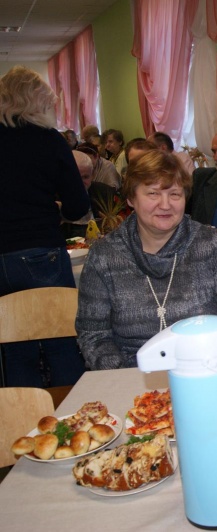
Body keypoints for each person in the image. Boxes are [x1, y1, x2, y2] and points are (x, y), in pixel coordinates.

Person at [76, 150, 217, 370]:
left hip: (203, 369)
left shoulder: (210, 245)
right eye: (153, 193)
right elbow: (94, 335)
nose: (165, 205)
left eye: (174, 194)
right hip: (131, 373)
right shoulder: (104, 255)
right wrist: (127, 374)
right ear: (131, 198)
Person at [0, 65, 90, 387]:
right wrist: (56, 208)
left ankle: (25, 414)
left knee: (14, 347)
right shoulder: (49, 140)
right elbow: (78, 206)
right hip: (41, 249)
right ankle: (74, 412)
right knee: (60, 340)